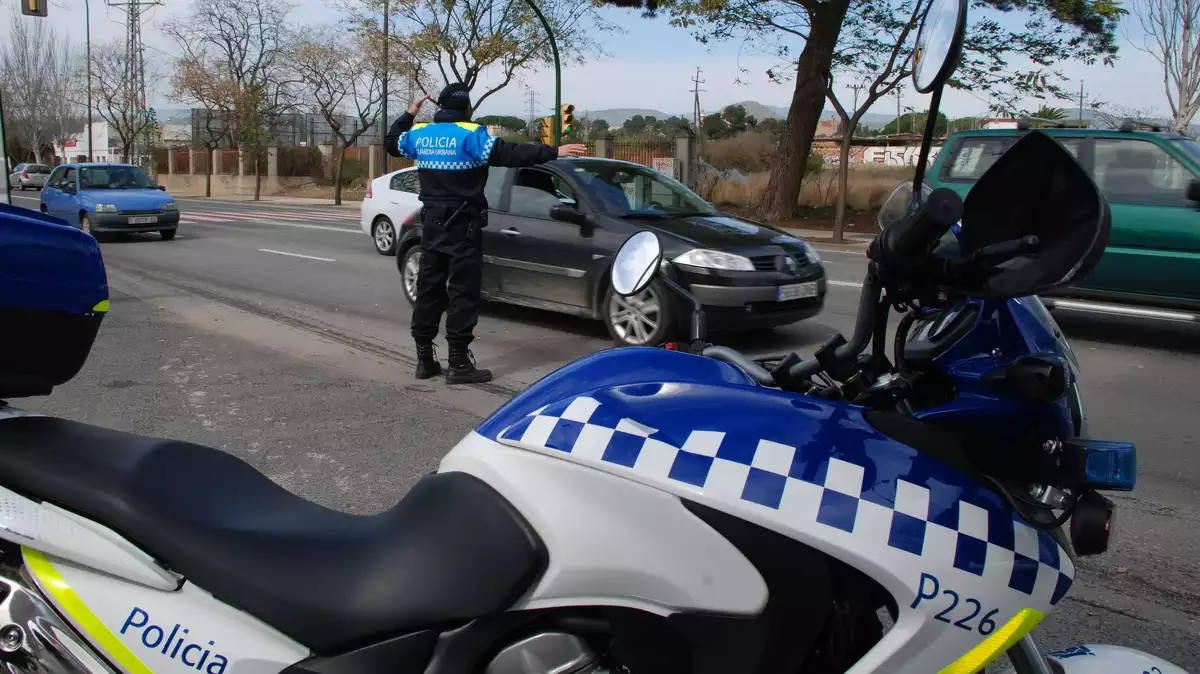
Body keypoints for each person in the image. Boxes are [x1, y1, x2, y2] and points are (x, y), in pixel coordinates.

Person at [385, 83, 587, 385]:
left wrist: (409, 114)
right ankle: (458, 364)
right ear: (466, 108)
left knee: (429, 289)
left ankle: (424, 360)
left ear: (440, 107)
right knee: (462, 293)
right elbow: (509, 153)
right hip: (462, 225)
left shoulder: (419, 133)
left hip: (431, 224)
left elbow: (390, 142)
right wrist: (553, 151)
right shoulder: (471, 134)